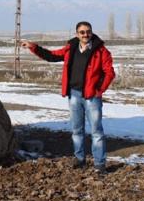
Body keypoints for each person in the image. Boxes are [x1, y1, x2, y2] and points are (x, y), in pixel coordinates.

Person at [21, 21, 115, 173]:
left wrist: (98, 90)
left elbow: (109, 72)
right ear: (77, 34)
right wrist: (33, 47)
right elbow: (51, 56)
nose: (86, 35)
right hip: (74, 95)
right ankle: (79, 158)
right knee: (77, 130)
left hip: (91, 97)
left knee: (97, 131)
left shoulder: (102, 51)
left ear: (92, 32)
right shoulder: (70, 49)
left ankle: (99, 163)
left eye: (88, 32)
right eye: (82, 32)